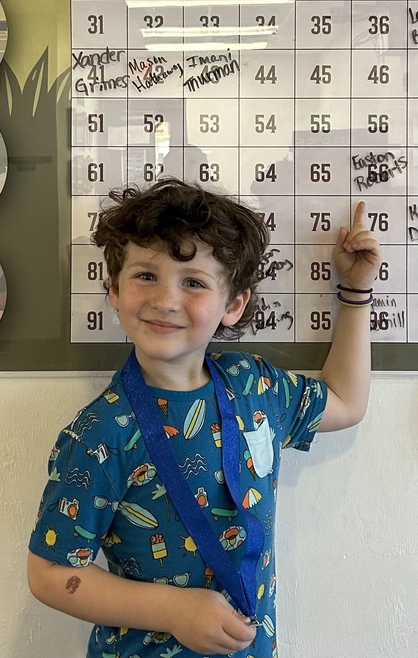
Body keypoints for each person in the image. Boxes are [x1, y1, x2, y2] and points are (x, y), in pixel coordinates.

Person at [28, 178, 380, 657]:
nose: (166, 300)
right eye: (145, 275)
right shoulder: (101, 432)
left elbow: (346, 400)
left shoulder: (254, 386)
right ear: (113, 289)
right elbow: (51, 574)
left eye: (194, 282)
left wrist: (354, 292)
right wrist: (173, 610)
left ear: (234, 305)